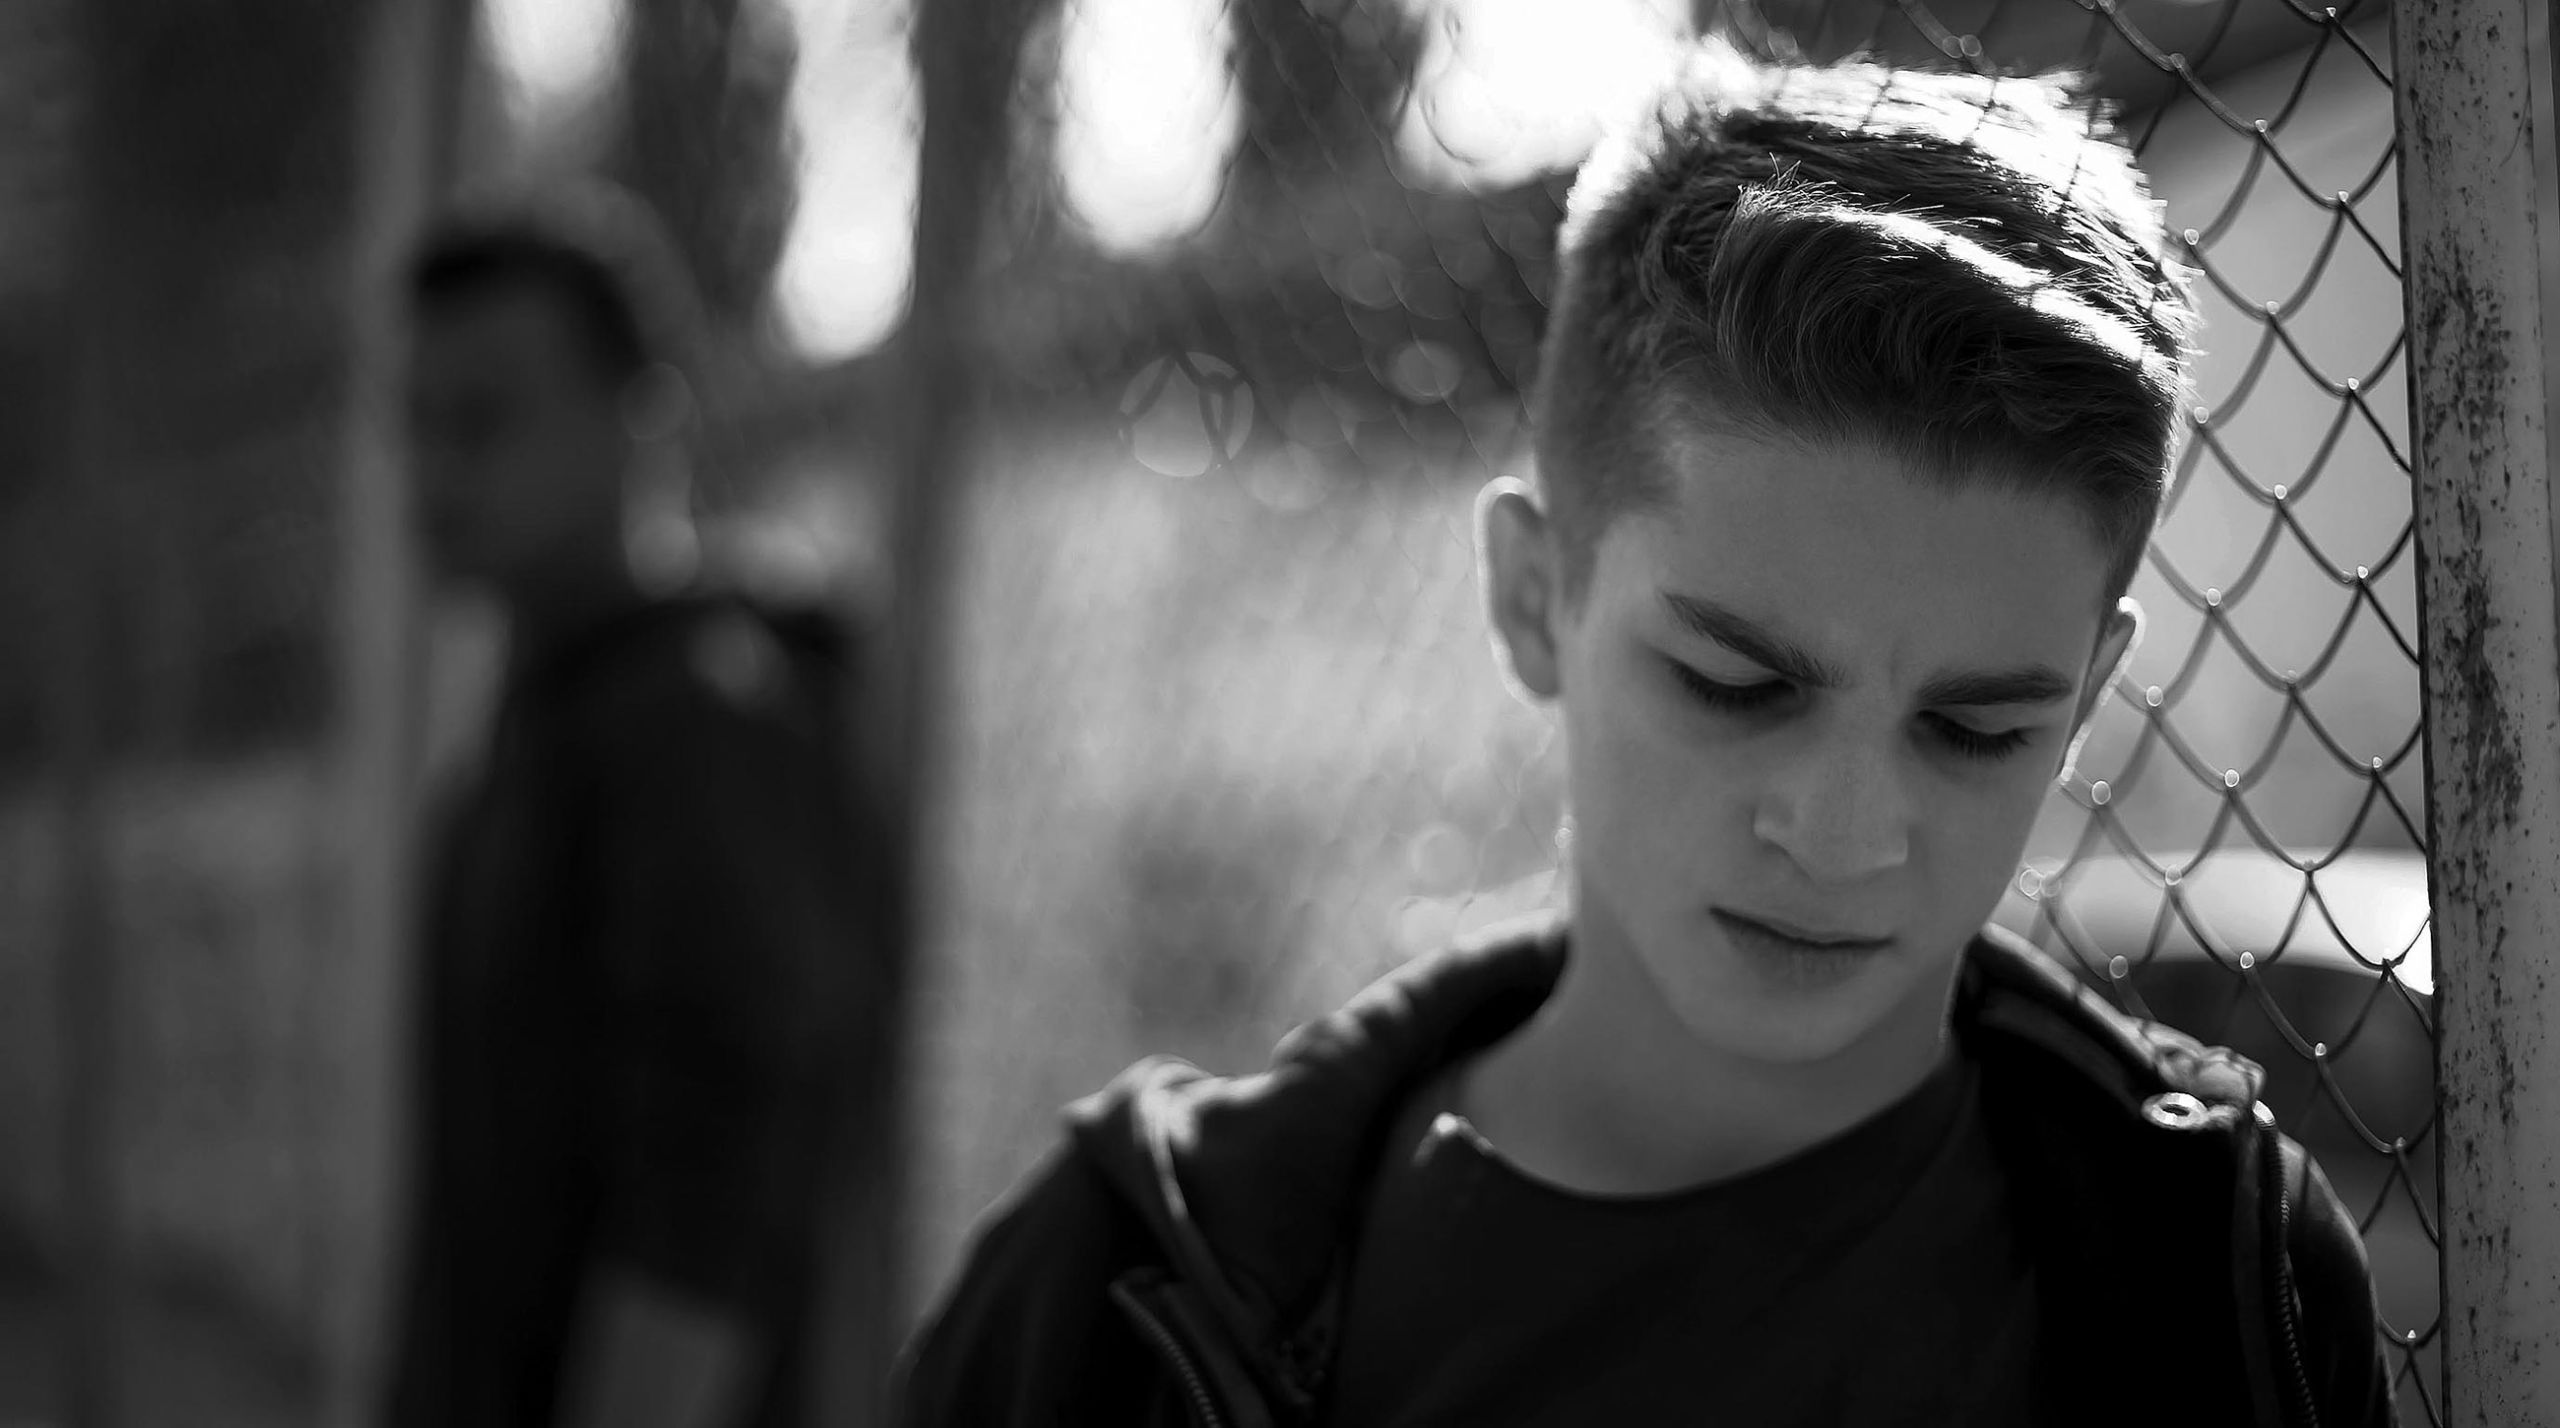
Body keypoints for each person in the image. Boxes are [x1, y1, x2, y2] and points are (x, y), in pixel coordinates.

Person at [893, 44, 2398, 1428]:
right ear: (1532, 598)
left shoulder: (2231, 1277)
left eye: (1975, 728)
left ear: (2085, 696)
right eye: (1737, 686)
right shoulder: (1108, 1301)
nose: (1844, 831)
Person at [388, 183, 885, 1428]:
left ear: (641, 414)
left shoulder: (699, 721)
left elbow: (711, 1204)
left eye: (486, 417)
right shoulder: (549, 720)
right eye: (418, 421)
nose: (437, 469)